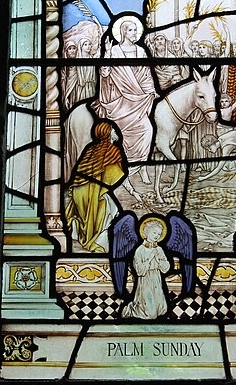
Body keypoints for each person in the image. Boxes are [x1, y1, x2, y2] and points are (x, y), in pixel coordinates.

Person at [91, 17, 158, 184]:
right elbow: (105, 73)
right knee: (120, 135)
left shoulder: (141, 51)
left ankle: (141, 167)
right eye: (130, 30)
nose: (134, 33)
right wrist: (107, 53)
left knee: (148, 129)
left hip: (138, 101)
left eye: (135, 30)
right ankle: (120, 167)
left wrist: (150, 90)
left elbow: (146, 74)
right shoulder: (114, 51)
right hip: (119, 103)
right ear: (123, 32)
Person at [65, 121, 125, 252]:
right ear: (108, 134)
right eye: (114, 130)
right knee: (112, 210)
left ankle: (78, 228)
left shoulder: (91, 149)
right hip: (93, 192)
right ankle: (98, 241)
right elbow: (114, 176)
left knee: (89, 217)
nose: (116, 132)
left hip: (78, 192)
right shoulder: (112, 151)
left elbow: (80, 173)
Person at [121, 217, 170, 319]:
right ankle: (131, 309)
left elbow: (166, 268)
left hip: (156, 278)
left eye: (159, 234)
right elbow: (139, 271)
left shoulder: (159, 249)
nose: (156, 236)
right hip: (145, 281)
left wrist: (159, 260)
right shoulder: (140, 250)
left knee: (162, 310)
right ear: (147, 232)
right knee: (150, 314)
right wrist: (149, 259)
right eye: (154, 232)